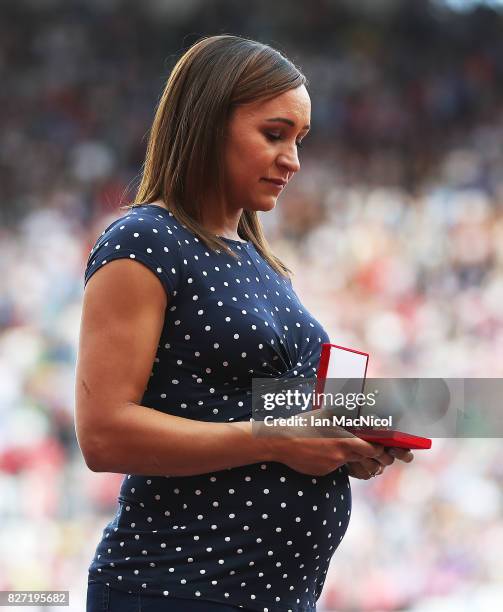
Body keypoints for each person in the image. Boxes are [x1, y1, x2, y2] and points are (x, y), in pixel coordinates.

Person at [76, 34, 413, 612]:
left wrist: (343, 443)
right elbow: (103, 434)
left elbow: (248, 408)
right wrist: (278, 441)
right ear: (208, 123)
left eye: (299, 140)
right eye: (274, 134)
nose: (293, 160)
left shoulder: (260, 262)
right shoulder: (144, 241)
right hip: (175, 588)